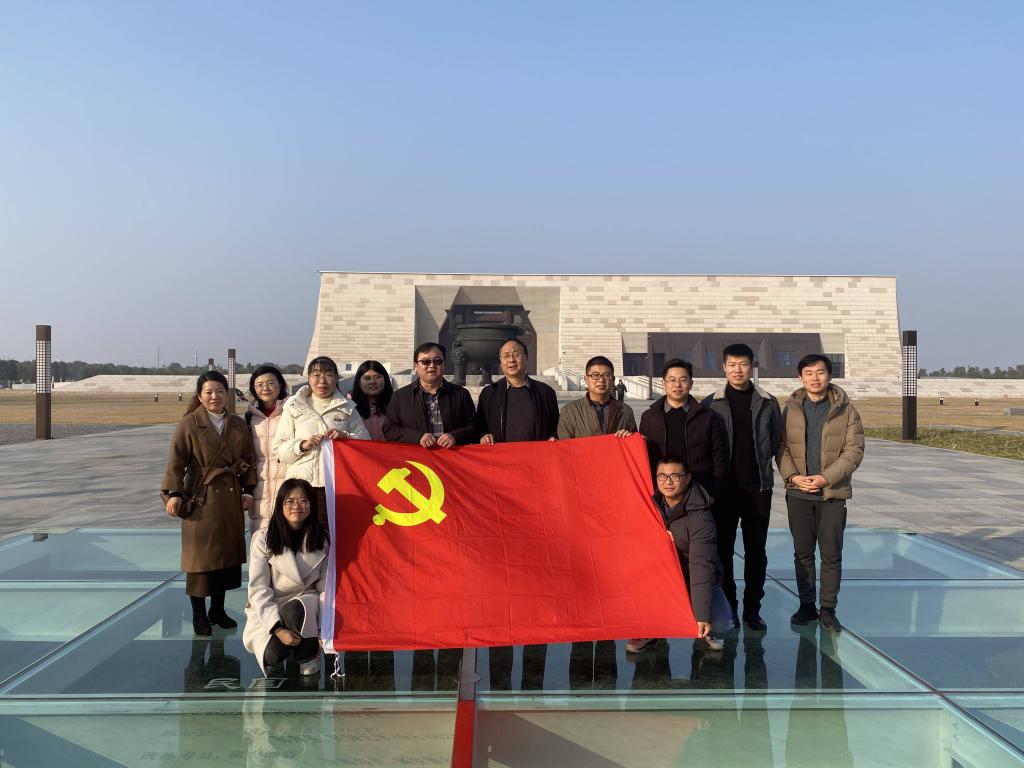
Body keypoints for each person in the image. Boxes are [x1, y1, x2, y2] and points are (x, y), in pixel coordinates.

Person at [161, 371, 256, 636]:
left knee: (224, 557)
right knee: (200, 559)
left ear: (227, 394)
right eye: (209, 392)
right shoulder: (189, 423)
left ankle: (218, 609)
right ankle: (198, 613)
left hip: (230, 497)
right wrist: (174, 493)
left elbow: (247, 458)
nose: (215, 397)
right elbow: (176, 461)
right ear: (200, 396)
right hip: (200, 496)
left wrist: (248, 489)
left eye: (220, 391)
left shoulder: (237, 424)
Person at [778, 353, 864, 632]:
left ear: (829, 375)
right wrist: (793, 477)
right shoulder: (790, 409)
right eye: (809, 373)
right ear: (800, 377)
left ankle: (828, 609)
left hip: (832, 494)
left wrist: (826, 478)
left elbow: (854, 451)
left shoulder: (846, 411)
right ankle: (806, 605)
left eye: (820, 372)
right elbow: (781, 447)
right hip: (799, 494)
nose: (815, 378)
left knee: (831, 555)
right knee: (802, 554)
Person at [701, 343, 782, 631]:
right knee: (723, 552)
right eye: (732, 365)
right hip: (724, 491)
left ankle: (752, 610)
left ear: (752, 366)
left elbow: (776, 441)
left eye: (743, 364)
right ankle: (730, 609)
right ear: (724, 367)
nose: (738, 370)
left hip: (757, 489)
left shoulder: (768, 403)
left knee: (756, 552)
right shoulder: (710, 404)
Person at [626, 456, 733, 654]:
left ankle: (708, 624)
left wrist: (703, 615)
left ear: (687, 477)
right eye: (662, 476)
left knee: (719, 625)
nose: (668, 482)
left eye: (674, 476)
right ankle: (648, 629)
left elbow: (701, 566)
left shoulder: (700, 517)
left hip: (692, 578)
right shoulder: (649, 506)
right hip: (659, 577)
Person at [243, 478, 330, 676]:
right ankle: (289, 640)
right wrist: (277, 629)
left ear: (311, 505)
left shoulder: (322, 538)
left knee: (295, 610)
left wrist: (322, 628)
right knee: (272, 656)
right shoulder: (264, 538)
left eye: (303, 501)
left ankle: (307, 654)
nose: (296, 506)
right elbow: (258, 588)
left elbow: (325, 587)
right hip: (272, 605)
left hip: (305, 603)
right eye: (290, 501)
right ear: (280, 505)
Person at [273, 356, 370, 529]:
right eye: (316, 375)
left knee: (331, 535)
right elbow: (280, 451)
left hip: (336, 486)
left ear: (336, 378)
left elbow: (366, 443)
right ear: (308, 378)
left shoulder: (347, 407)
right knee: (301, 536)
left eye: (328, 374)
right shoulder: (294, 406)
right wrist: (302, 445)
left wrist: (345, 436)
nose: (322, 380)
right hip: (301, 487)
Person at [640, 358, 726, 496]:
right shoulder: (649, 417)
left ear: (691, 384)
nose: (677, 385)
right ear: (663, 383)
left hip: (699, 490)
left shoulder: (707, 417)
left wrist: (714, 488)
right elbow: (642, 454)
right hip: (660, 491)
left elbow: (718, 455)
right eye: (672, 380)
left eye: (683, 380)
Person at [383, 342, 477, 447]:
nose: (432, 366)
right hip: (416, 456)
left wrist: (455, 436)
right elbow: (389, 429)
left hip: (451, 455)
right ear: (416, 365)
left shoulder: (460, 394)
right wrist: (417, 437)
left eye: (438, 361)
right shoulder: (400, 397)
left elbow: (474, 426)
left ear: (444, 364)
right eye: (425, 362)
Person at [475, 338, 559, 444]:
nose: (511, 360)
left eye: (516, 354)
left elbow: (556, 427)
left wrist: (553, 437)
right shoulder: (489, 394)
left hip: (535, 453)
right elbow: (478, 427)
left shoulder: (546, 393)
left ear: (526, 357)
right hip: (501, 453)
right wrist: (483, 436)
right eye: (506, 356)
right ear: (500, 361)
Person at [245, 364, 290, 531]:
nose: (265, 388)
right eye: (259, 384)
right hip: (260, 487)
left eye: (271, 383)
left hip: (288, 482)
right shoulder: (249, 417)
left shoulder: (293, 411)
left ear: (280, 384)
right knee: (261, 536)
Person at [557, 356, 637, 439]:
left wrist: (629, 436)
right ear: (586, 380)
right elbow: (564, 445)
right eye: (595, 375)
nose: (601, 380)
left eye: (607, 375)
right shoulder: (569, 411)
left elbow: (635, 442)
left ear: (613, 380)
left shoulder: (626, 411)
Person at [349, 360, 394, 441]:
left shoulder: (397, 405)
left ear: (385, 379)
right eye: (367, 378)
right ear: (359, 382)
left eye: (377, 377)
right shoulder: (349, 408)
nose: (373, 382)